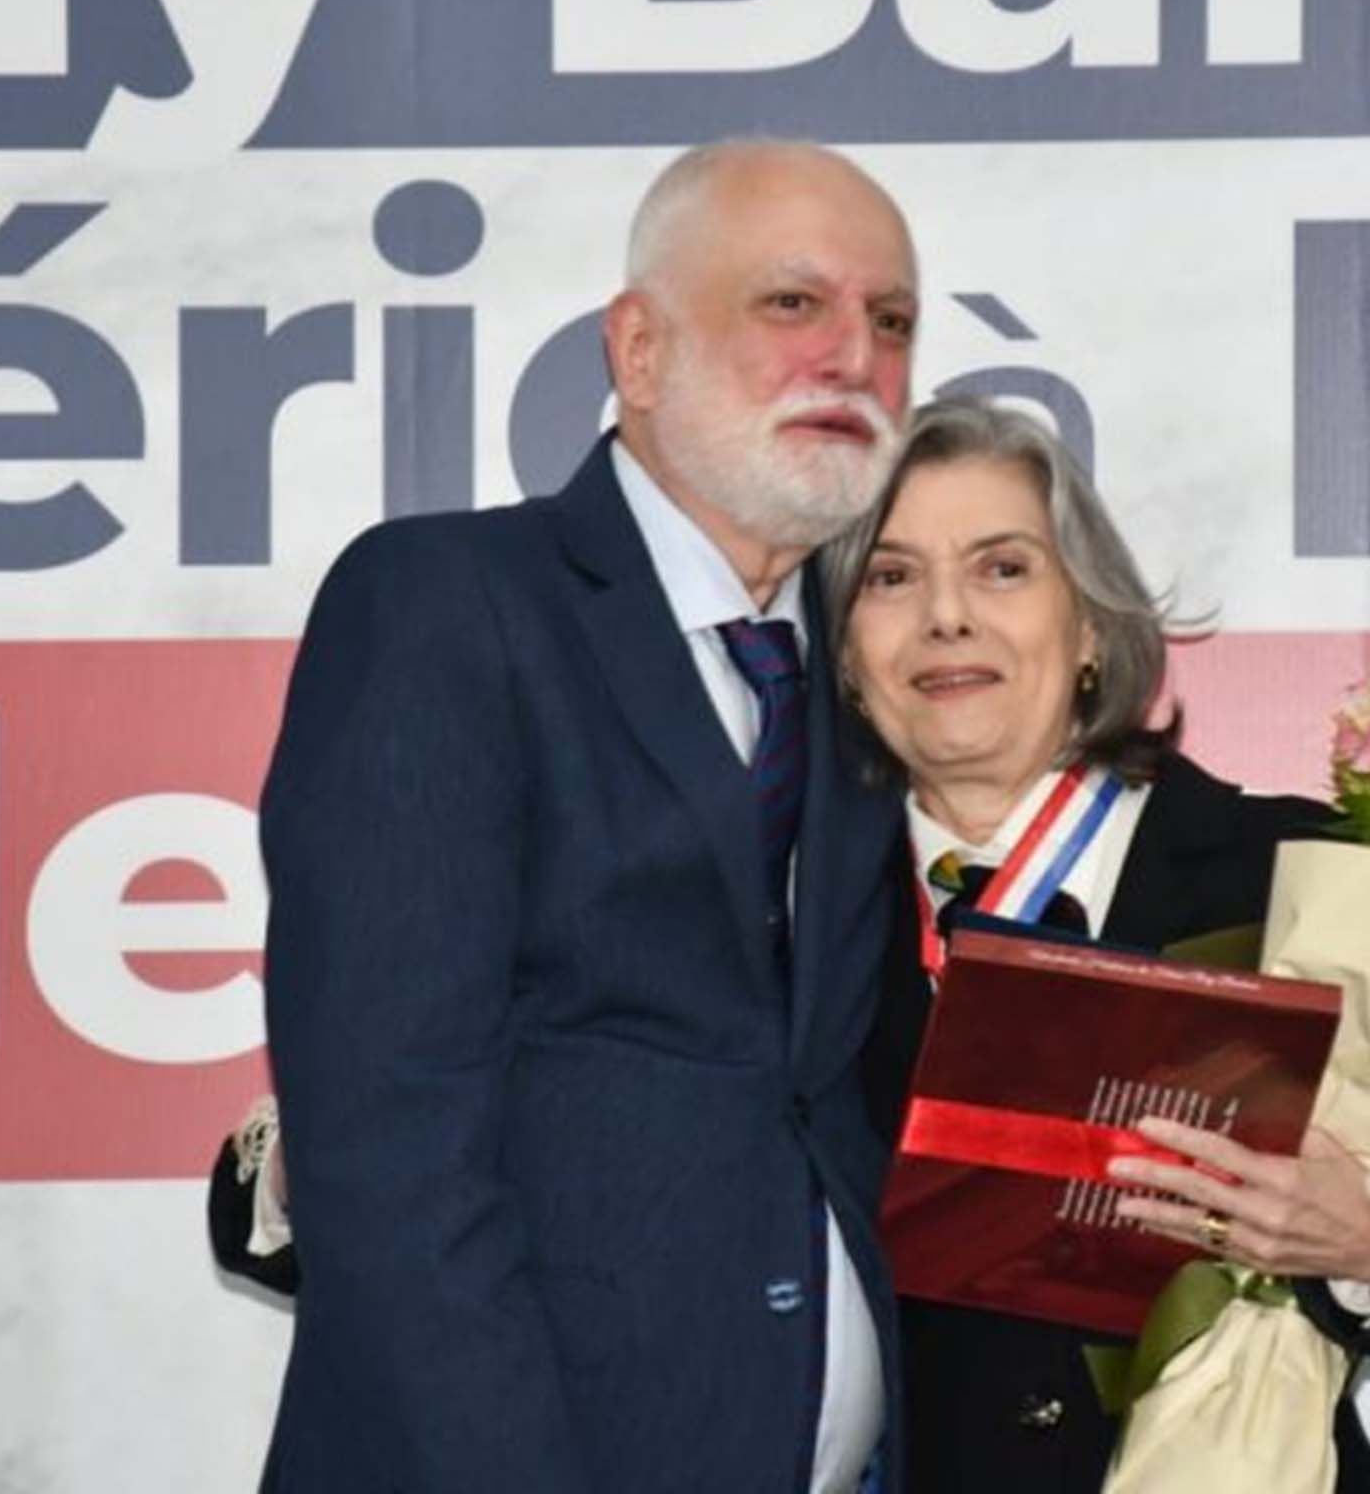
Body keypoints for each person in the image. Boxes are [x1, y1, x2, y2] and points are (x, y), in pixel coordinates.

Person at [254, 140, 921, 1492]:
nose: (854, 355)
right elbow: (392, 1165)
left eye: (893, 321)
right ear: (639, 349)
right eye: (794, 304)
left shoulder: (859, 681)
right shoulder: (446, 606)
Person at [827, 397, 1370, 1493]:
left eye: (1003, 568)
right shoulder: (787, 926)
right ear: (841, 653)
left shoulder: (1304, 875)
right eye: (890, 577)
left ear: (1093, 631)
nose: (946, 616)